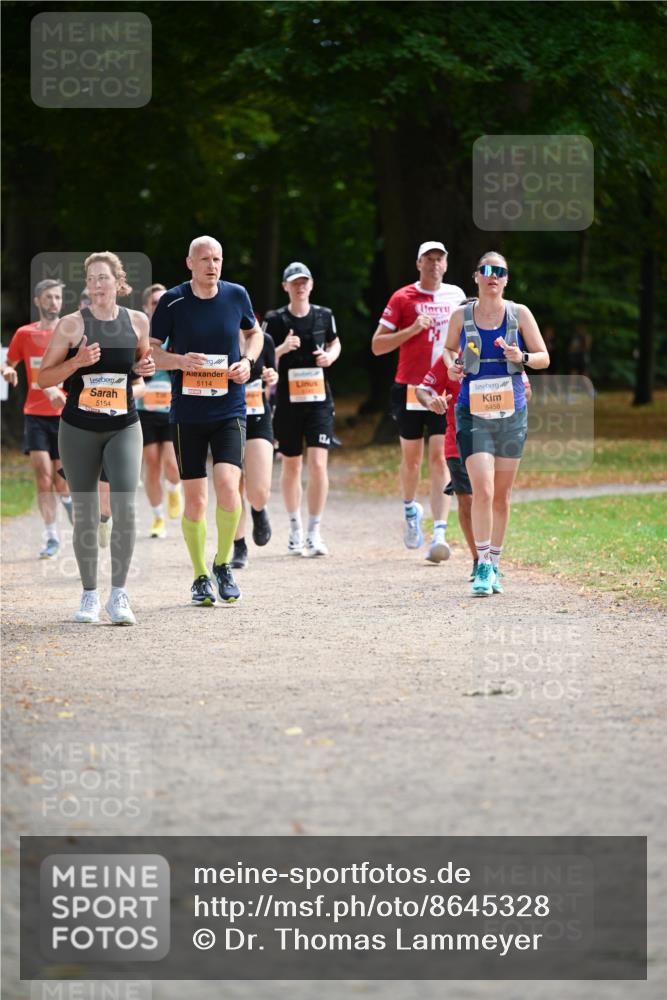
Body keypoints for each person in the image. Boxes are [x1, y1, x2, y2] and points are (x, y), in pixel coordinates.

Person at [38, 252, 155, 624]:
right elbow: (44, 377)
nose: (96, 285)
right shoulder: (72, 326)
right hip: (78, 428)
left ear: (118, 283)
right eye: (91, 279)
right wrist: (77, 363)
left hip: (123, 424)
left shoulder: (138, 321)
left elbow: (138, 371)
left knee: (125, 506)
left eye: (103, 278)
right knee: (86, 515)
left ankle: (119, 595)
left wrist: (143, 368)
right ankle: (90, 595)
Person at [149, 236, 263, 606]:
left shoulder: (236, 295)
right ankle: (200, 575)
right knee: (196, 501)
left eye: (217, 259)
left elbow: (254, 333)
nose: (212, 266)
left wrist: (247, 362)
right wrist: (179, 361)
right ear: (189, 263)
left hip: (229, 407)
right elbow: (151, 352)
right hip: (188, 413)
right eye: (204, 259)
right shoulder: (173, 301)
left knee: (229, 486)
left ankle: (223, 563)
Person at [444, 251, 549, 596]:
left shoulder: (519, 314)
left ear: (506, 279)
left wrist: (523, 358)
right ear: (476, 276)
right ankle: (483, 566)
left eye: (499, 271)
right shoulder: (461, 315)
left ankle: (497, 563)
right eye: (487, 270)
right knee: (483, 491)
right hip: (472, 412)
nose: (493, 276)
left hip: (511, 413)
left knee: (502, 496)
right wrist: (452, 366)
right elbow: (447, 351)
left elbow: (544, 357)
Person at [372, 241, 465, 562]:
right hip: (409, 388)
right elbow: (377, 346)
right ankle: (411, 509)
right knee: (412, 460)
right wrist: (411, 329)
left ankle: (439, 531)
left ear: (446, 265)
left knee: (440, 458)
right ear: (418, 263)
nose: (434, 265)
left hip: (444, 387)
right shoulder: (402, 297)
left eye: (440, 259)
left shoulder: (456, 296)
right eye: (428, 259)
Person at [416, 345, 533, 582]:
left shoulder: (504, 354)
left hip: (498, 437)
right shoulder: (452, 358)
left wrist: (505, 395)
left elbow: (527, 392)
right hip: (459, 439)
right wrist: (432, 402)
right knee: (468, 499)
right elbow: (422, 390)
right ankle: (479, 559)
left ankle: (491, 560)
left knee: (493, 496)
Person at [262, 262, 341, 557]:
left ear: (311, 284)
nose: (300, 286)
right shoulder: (275, 319)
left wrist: (330, 357)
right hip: (287, 402)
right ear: (286, 286)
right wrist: (282, 348)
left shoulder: (324, 315)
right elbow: (260, 354)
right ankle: (295, 528)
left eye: (305, 281)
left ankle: (314, 531)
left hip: (320, 400)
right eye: (295, 282)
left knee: (319, 464)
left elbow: (335, 344)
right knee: (292, 465)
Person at [2, 278, 73, 558]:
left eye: (57, 297)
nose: (53, 302)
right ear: (37, 301)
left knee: (61, 481)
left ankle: (70, 509)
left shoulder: (71, 333)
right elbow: (9, 362)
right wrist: (7, 371)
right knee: (43, 478)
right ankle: (52, 537)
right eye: (48, 297)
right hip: (35, 415)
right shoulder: (25, 334)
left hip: (65, 415)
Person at [137, 283, 183, 538]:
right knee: (152, 464)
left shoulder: (175, 329)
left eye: (161, 301)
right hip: (145, 408)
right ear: (146, 307)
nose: (157, 306)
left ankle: (175, 489)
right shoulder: (138, 332)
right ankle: (157, 518)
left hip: (171, 406)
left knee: (171, 463)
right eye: (153, 302)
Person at [231, 331, 278, 569]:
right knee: (233, 484)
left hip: (258, 417)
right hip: (226, 420)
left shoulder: (263, 340)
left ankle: (259, 509)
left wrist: (271, 375)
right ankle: (239, 545)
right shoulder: (217, 338)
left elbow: (272, 374)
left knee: (258, 490)